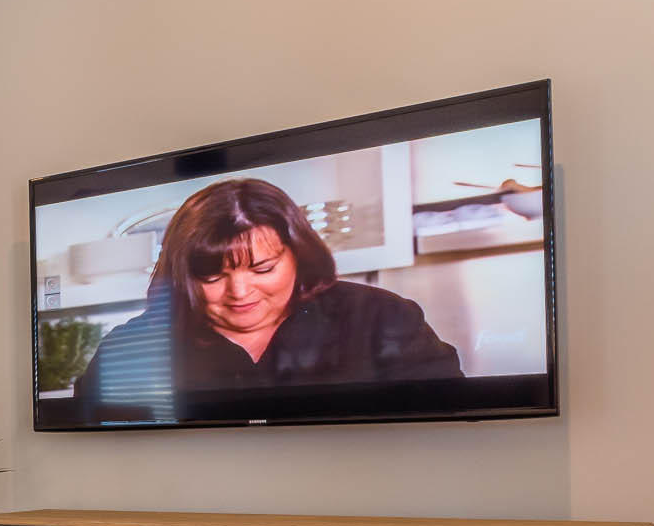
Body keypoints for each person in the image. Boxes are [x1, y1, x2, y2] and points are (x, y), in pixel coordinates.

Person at [71, 178, 460, 421]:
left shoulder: (384, 318)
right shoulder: (128, 349)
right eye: (212, 275)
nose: (240, 292)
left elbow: (448, 423)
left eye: (262, 269)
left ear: (299, 256)